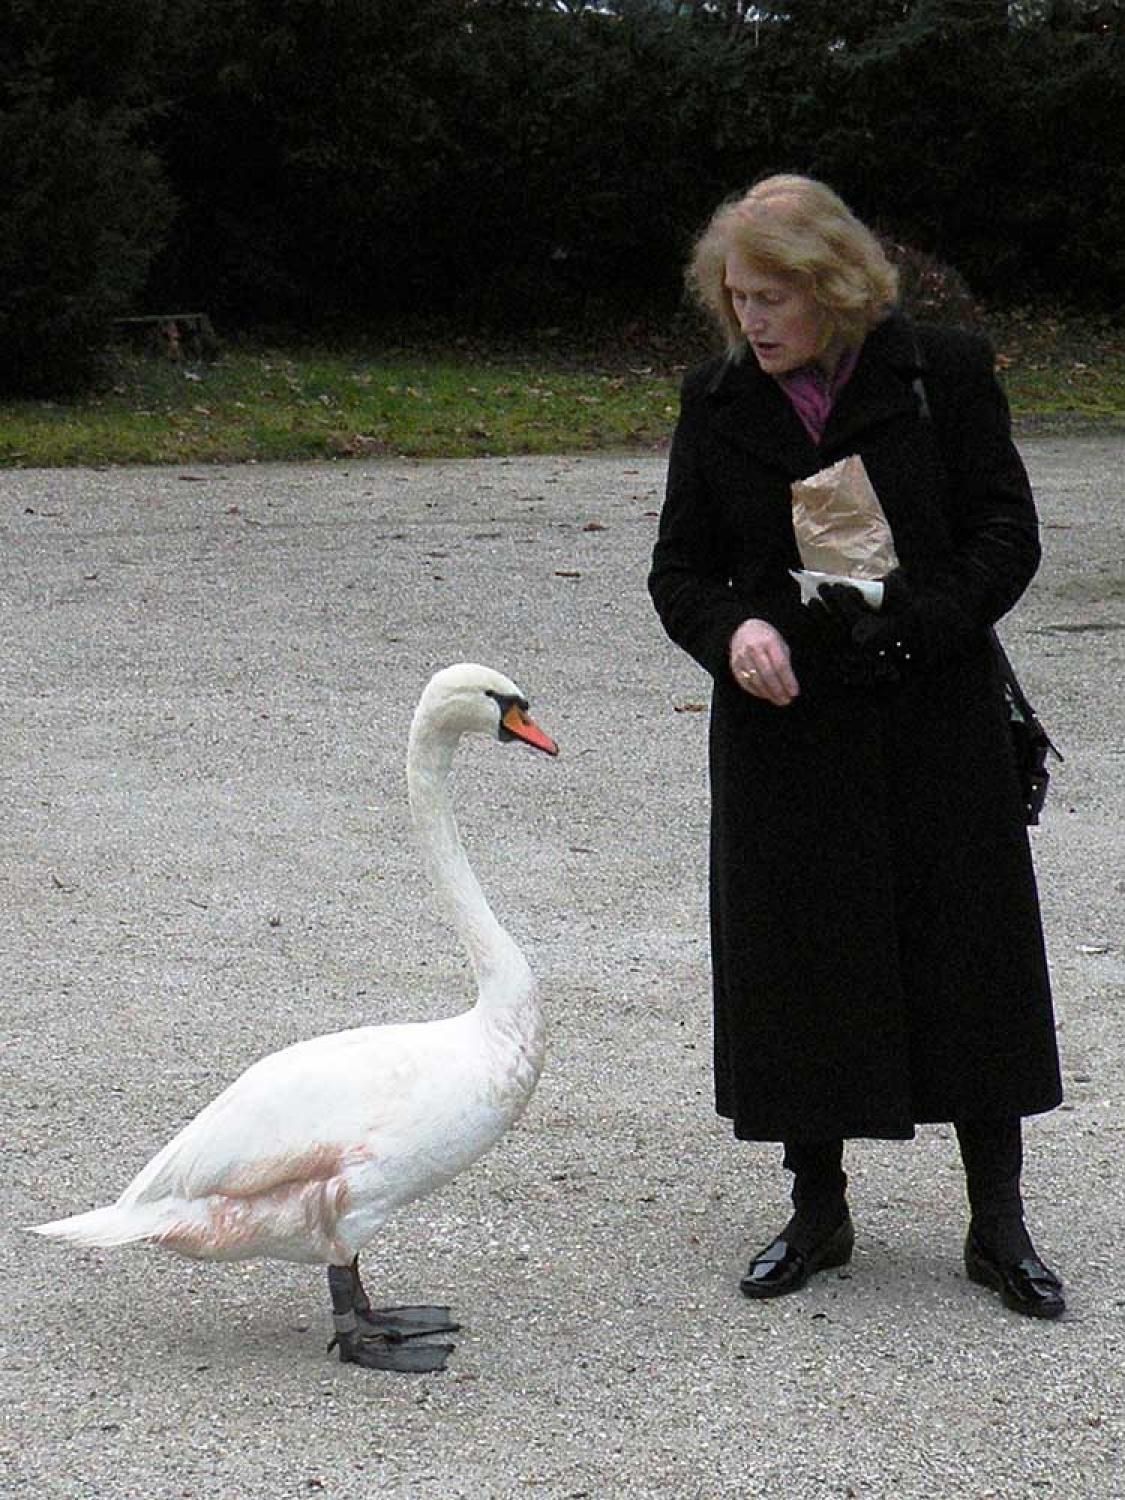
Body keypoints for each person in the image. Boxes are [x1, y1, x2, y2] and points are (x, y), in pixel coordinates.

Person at [648, 174, 1065, 1319]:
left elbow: (1006, 535)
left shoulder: (943, 372)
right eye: (737, 298)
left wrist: (918, 622)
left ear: (834, 291)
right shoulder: (716, 397)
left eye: (773, 297)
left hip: (935, 713)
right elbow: (678, 569)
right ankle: (817, 1210)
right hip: (788, 734)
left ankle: (998, 1224)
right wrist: (734, 632)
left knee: (970, 961)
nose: (754, 322)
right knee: (801, 967)